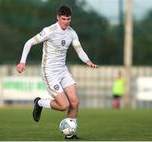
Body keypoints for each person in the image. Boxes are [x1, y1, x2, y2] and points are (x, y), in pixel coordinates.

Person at [16, 5, 98, 139]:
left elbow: (79, 50)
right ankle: (39, 103)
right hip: (49, 73)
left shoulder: (72, 33)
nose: (66, 22)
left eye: (68, 19)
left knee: (75, 102)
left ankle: (70, 135)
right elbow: (29, 43)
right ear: (58, 17)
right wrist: (22, 62)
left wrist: (87, 61)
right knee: (63, 105)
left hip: (63, 71)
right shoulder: (49, 31)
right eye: (63, 19)